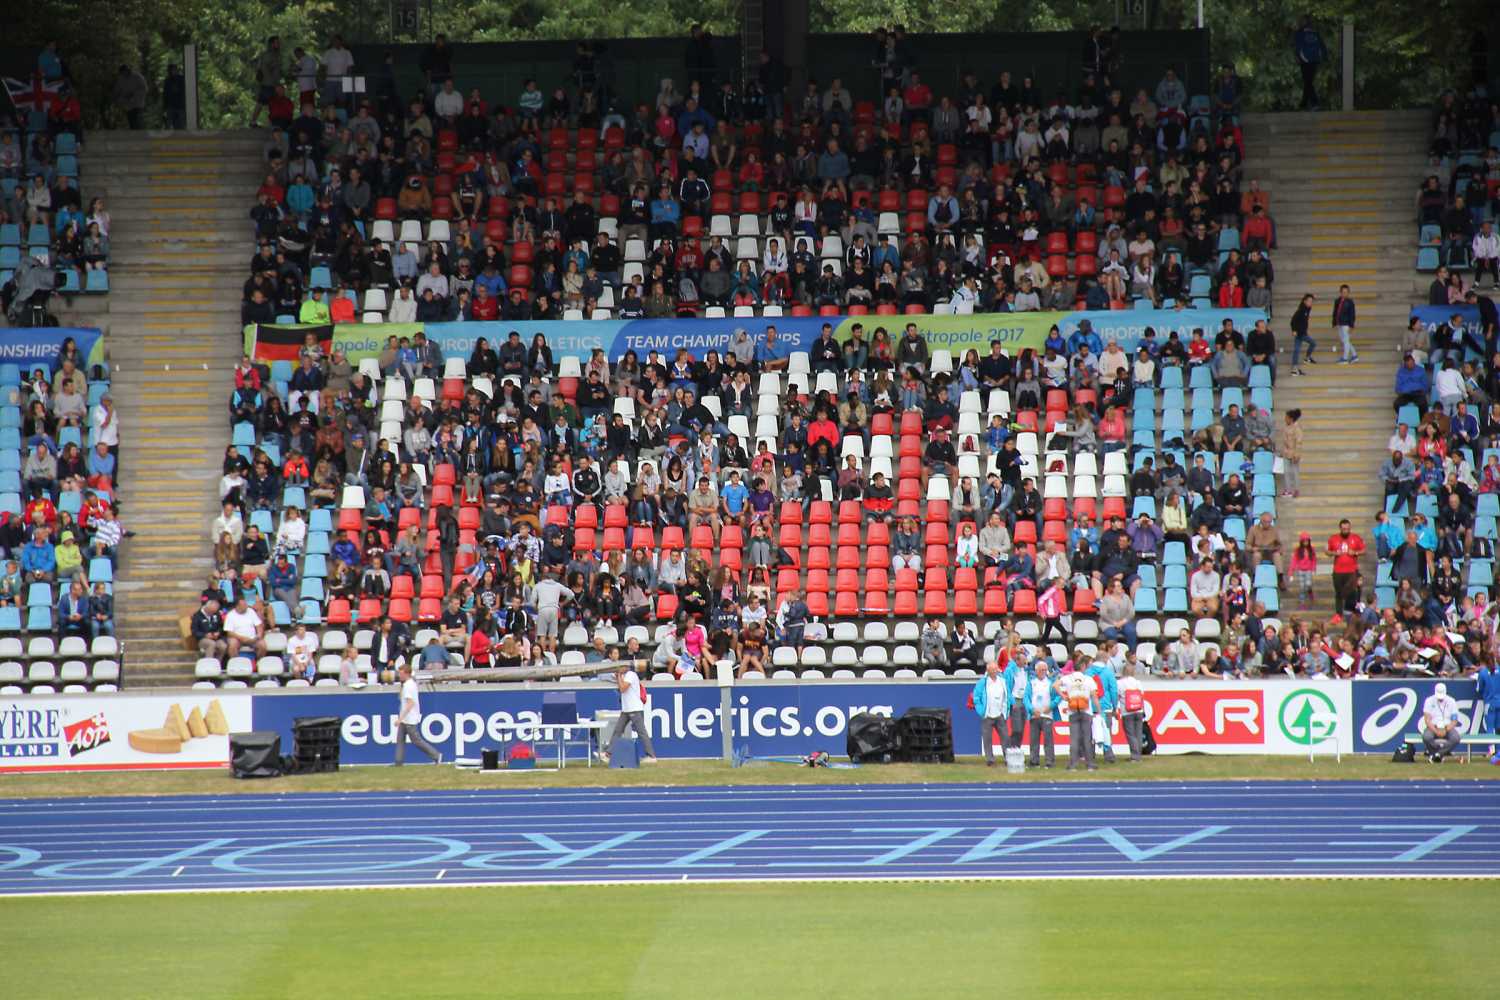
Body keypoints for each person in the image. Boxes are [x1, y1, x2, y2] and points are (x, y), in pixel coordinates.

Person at [600, 657, 658, 764]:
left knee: (641, 732)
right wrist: (618, 676)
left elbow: (622, 688)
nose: (619, 668)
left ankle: (651, 756)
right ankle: (608, 754)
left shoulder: (631, 674)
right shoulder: (625, 675)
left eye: (621, 666)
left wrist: (618, 676)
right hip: (626, 709)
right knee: (618, 731)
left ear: (626, 667)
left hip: (634, 708)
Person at [393, 664, 442, 765]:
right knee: (400, 740)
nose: (399, 676)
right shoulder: (409, 684)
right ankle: (398, 762)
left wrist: (400, 718)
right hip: (405, 719)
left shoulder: (408, 686)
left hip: (409, 719)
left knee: (416, 741)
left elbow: (410, 703)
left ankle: (436, 755)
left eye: (401, 674)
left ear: (407, 674)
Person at [1056, 666, 1098, 771]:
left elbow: (1055, 685)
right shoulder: (1088, 679)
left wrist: (1063, 696)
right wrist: (1098, 710)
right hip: (1086, 711)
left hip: (1073, 711)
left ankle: (1073, 765)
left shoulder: (1068, 678)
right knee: (1087, 739)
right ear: (1083, 667)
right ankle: (1090, 764)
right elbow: (1094, 696)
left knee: (1074, 739)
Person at [970, 656, 1010, 767]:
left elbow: (1007, 696)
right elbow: (976, 697)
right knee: (987, 738)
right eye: (992, 669)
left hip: (1000, 714)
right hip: (987, 714)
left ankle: (1008, 758)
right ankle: (990, 759)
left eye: (996, 669)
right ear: (988, 670)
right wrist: (981, 711)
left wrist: (1006, 711)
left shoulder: (1002, 681)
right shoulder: (982, 683)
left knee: (1005, 737)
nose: (994, 671)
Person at [1025, 660, 1059, 768]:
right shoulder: (1031, 683)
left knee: (1048, 740)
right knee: (1034, 740)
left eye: (1044, 670)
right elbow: (1026, 698)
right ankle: (1034, 761)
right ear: (1036, 671)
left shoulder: (1051, 683)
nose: (1043, 672)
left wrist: (1051, 706)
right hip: (1034, 715)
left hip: (1047, 715)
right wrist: (1031, 710)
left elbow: (1058, 697)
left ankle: (1050, 761)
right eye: (1041, 670)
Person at [1421, 682, 1463, 763]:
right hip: (1433, 726)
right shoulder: (1429, 701)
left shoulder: (1451, 701)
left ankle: (1437, 755)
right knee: (1426, 737)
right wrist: (1436, 731)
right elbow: (1427, 720)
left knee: (1456, 738)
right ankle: (1441, 753)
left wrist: (1446, 730)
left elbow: (1454, 720)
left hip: (1447, 726)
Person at [1293, 17, 1327, 111]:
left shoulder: (1299, 33)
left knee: (1308, 82)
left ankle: (1314, 103)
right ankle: (1303, 104)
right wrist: (1323, 57)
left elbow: (1298, 47)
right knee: (1308, 81)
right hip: (1315, 59)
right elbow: (1322, 46)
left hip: (1305, 60)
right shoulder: (1315, 33)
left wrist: (1298, 57)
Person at [1118, 664, 1147, 762]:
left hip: (1127, 711)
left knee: (1130, 734)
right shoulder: (1138, 682)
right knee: (1138, 733)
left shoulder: (1120, 683)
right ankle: (1138, 754)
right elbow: (1142, 695)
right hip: (1138, 710)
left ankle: (1135, 756)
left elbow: (1117, 695)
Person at [1331, 283, 1358, 363]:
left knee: (1346, 341)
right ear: (1340, 292)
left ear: (1348, 293)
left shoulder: (1350, 302)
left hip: (1346, 324)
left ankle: (1345, 358)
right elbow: (1335, 312)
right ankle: (1354, 356)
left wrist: (1351, 326)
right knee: (1345, 340)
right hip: (1339, 323)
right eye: (1343, 292)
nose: (1344, 294)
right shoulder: (1337, 301)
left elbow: (1352, 314)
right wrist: (1334, 323)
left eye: (1346, 292)